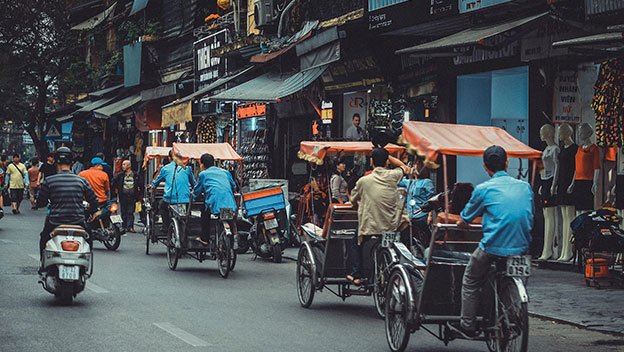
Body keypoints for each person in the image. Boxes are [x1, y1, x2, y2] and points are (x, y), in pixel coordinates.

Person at [446, 145, 534, 339]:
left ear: (485, 167)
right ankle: (516, 312)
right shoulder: (525, 187)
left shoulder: (483, 189)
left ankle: (467, 324)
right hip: (522, 247)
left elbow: (466, 217)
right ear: (507, 163)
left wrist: (461, 223)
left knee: (470, 279)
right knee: (514, 276)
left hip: (492, 246)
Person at [348, 148, 411, 284]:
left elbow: (353, 199)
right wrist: (388, 156)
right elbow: (403, 167)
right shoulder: (393, 175)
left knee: (355, 242)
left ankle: (356, 275)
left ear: (371, 162)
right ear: (387, 162)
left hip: (371, 226)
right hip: (392, 224)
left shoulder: (364, 181)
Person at [36, 147, 99, 269]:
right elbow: (94, 201)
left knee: (44, 239)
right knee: (89, 238)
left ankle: (43, 265)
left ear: (56, 163)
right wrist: (91, 208)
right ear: (72, 163)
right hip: (78, 222)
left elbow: (41, 202)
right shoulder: (81, 181)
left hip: (55, 222)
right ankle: (85, 268)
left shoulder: (49, 181)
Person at [193, 153, 237, 243]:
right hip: (229, 203)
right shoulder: (226, 172)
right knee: (231, 219)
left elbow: (197, 191)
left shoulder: (203, 174)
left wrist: (194, 198)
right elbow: (234, 187)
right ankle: (234, 240)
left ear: (203, 165)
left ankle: (205, 238)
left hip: (214, 204)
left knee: (205, 213)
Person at [148, 150, 195, 231]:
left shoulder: (165, 169)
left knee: (162, 206)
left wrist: (152, 186)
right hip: (185, 199)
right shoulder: (187, 169)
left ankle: (165, 226)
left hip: (170, 199)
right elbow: (194, 183)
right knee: (187, 211)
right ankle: (187, 226)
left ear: (170, 158)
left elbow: (155, 182)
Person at [398, 158, 434, 244]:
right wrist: (405, 169)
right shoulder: (410, 182)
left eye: (415, 165)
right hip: (410, 215)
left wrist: (430, 215)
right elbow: (397, 181)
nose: (413, 167)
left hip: (421, 214)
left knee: (423, 237)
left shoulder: (426, 182)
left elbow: (431, 200)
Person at [112, 160, 140, 233]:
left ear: (129, 166)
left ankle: (130, 227)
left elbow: (140, 184)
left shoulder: (135, 175)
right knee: (123, 211)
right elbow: (113, 181)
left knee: (130, 212)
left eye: (124, 164)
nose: (122, 166)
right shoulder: (120, 175)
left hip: (132, 196)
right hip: (123, 196)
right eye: (122, 164)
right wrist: (116, 189)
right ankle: (124, 226)